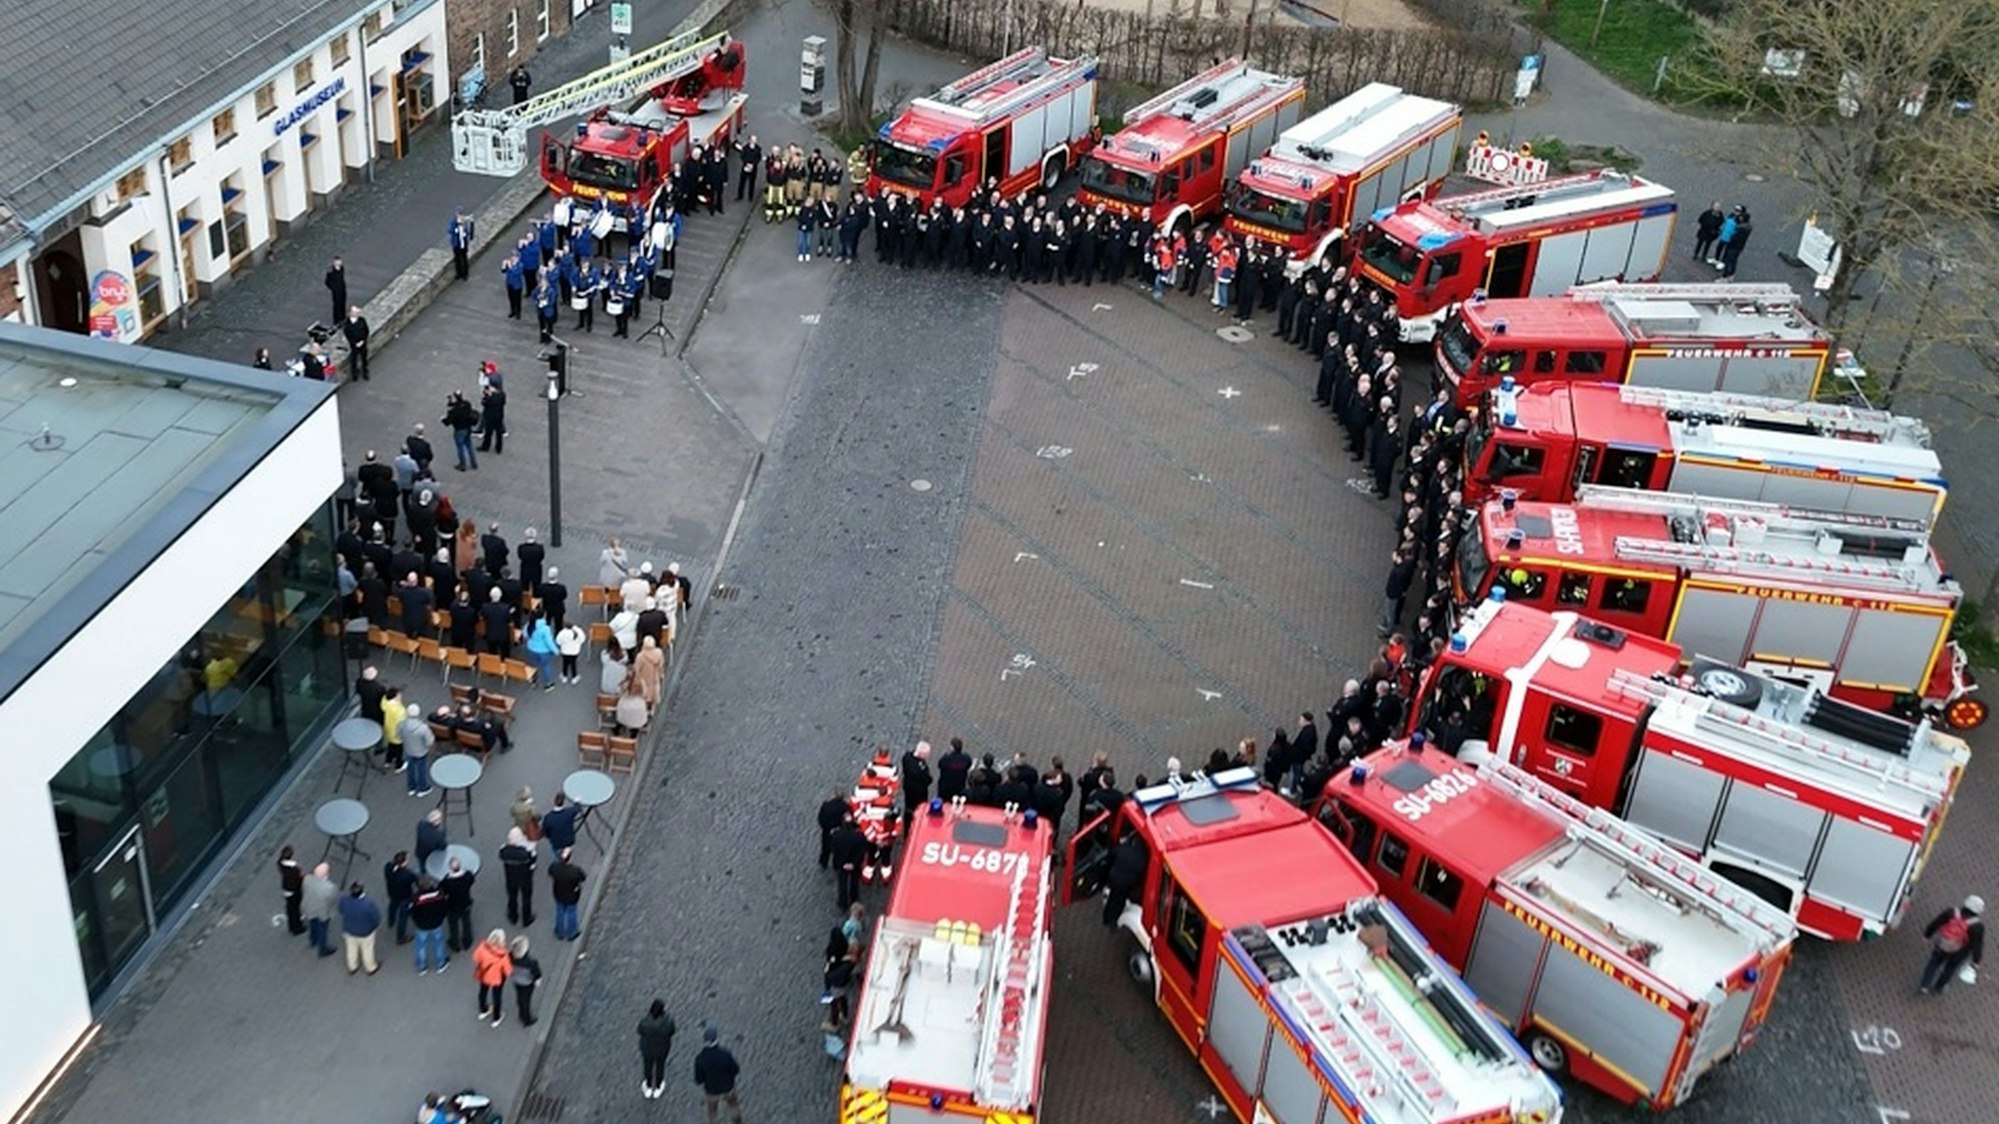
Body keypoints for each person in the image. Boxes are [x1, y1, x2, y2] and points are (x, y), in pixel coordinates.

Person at [1919, 895, 1985, 995]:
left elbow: (1936, 923)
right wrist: (1976, 961)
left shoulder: (1951, 912)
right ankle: (1939, 987)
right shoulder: (1978, 926)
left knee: (1933, 964)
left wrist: (1927, 935)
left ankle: (1925, 985)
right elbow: (1977, 944)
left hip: (1943, 944)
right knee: (1950, 968)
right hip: (1960, 951)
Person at [693, 1026, 743, 1124]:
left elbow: (699, 1079)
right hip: (728, 1087)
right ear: (716, 1038)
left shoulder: (700, 1058)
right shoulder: (725, 1054)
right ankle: (737, 1121)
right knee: (733, 1105)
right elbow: (735, 1069)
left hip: (711, 1090)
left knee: (712, 1110)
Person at [338, 882, 383, 975]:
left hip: (349, 930)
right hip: (365, 932)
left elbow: (341, 910)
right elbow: (376, 918)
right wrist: (373, 926)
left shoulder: (344, 900)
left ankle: (352, 967)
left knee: (351, 949)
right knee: (367, 950)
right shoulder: (368, 904)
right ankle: (370, 968)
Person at [1103, 834, 1148, 927]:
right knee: (1119, 902)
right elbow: (1139, 876)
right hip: (1124, 885)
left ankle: (1106, 918)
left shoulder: (1124, 849)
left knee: (1112, 898)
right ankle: (1113, 920)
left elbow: (1112, 853)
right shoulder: (1142, 861)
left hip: (1114, 879)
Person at [639, 998, 678, 1099]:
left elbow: (640, 1030)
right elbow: (672, 1031)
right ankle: (658, 1086)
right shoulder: (668, 1021)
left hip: (647, 1049)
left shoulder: (645, 1022)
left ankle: (647, 1086)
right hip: (662, 1049)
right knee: (660, 1066)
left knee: (648, 1066)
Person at [474, 929, 514, 1026]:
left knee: (483, 991)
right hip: (497, 978)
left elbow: (475, 957)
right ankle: (496, 1017)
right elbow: (508, 971)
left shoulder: (482, 946)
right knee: (497, 996)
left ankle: (483, 1010)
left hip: (484, 975)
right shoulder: (503, 955)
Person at [410, 876, 450, 974]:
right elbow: (444, 907)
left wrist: (416, 921)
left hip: (422, 925)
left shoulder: (416, 898)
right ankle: (441, 964)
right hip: (436, 923)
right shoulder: (438, 895)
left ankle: (422, 967)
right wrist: (442, 917)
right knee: (439, 943)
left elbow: (412, 912)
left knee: (421, 945)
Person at [828, 811, 867, 910]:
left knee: (842, 883)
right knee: (854, 881)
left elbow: (834, 851)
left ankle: (843, 902)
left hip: (842, 863)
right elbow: (862, 851)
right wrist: (854, 863)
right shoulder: (859, 836)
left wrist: (842, 863)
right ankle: (854, 899)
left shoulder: (837, 835)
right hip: (855, 864)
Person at [500, 827, 538, 926]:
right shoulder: (526, 853)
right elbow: (533, 861)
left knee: (512, 897)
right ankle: (526, 918)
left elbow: (501, 853)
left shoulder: (504, 851)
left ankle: (513, 916)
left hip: (510, 878)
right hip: (525, 878)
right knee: (526, 898)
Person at [549, 847, 587, 941]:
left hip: (559, 894)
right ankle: (571, 933)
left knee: (560, 912)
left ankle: (560, 932)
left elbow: (550, 872)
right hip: (571, 896)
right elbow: (583, 877)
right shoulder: (575, 871)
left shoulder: (555, 868)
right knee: (571, 913)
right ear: (570, 858)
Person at [441, 854, 477, 952]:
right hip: (465, 903)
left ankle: (454, 943)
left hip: (452, 905)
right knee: (466, 923)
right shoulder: (468, 876)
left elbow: (442, 891)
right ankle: (467, 941)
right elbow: (472, 880)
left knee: (453, 925)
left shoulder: (447, 881)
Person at [303, 862, 339, 957]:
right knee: (323, 929)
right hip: (323, 911)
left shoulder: (307, 879)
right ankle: (322, 949)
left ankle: (313, 940)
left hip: (310, 907)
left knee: (313, 924)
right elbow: (333, 900)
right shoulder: (330, 887)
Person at [402, 701, 436, 796]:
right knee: (421, 769)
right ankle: (422, 788)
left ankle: (411, 787)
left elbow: (400, 735)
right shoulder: (423, 728)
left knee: (411, 768)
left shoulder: (402, 724)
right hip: (421, 751)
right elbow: (430, 741)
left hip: (409, 750)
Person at [384, 850, 419, 943]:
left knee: (393, 906)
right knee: (403, 917)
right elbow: (417, 883)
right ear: (403, 863)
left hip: (392, 893)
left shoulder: (388, 867)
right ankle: (401, 937)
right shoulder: (408, 875)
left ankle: (391, 921)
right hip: (405, 897)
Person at [510, 935, 543, 1026]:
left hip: (517, 982)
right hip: (527, 984)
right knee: (526, 1001)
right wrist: (538, 980)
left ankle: (521, 1013)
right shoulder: (531, 963)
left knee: (520, 997)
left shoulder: (510, 958)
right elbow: (537, 974)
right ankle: (527, 1019)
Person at [444, 392, 479, 471]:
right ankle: (474, 463)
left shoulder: (454, 411)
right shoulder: (467, 404)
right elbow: (458, 405)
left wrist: (443, 419)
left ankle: (462, 465)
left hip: (459, 430)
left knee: (460, 448)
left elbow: (447, 422)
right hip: (468, 428)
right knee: (469, 446)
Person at [816, 788, 849, 871]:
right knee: (838, 849)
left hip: (827, 831)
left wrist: (825, 827)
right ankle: (836, 865)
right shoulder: (845, 807)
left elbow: (820, 818)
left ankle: (824, 862)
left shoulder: (826, 805)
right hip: (839, 832)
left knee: (825, 847)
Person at [900, 741, 933, 822]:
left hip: (908, 787)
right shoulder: (920, 769)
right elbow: (927, 779)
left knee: (908, 805)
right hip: (919, 791)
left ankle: (907, 820)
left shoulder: (907, 757)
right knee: (919, 807)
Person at [277, 844, 306, 935]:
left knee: (290, 908)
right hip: (294, 890)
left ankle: (292, 926)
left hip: (287, 888)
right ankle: (297, 928)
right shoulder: (293, 869)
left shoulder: (280, 862)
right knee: (295, 909)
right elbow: (298, 878)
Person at [633, 634, 666, 709]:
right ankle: (652, 708)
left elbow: (637, 668)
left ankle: (645, 707)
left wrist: (637, 678)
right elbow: (661, 664)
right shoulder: (659, 653)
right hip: (655, 676)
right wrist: (661, 673)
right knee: (654, 691)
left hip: (644, 677)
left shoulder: (640, 656)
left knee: (645, 692)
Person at [525, 615, 558, 689]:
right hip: (543, 651)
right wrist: (556, 651)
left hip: (532, 648)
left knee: (535, 665)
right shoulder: (545, 628)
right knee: (546, 666)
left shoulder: (529, 624)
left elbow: (525, 635)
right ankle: (548, 684)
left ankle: (534, 681)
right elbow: (549, 642)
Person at [615, 669, 650, 735]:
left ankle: (618, 728)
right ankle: (634, 733)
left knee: (622, 711)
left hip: (625, 706)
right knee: (638, 714)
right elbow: (645, 694)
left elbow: (618, 693)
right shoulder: (642, 682)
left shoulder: (624, 683)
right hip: (638, 707)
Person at [342, 305, 371, 381]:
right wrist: (355, 343)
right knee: (354, 359)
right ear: (351, 313)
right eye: (355, 312)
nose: (358, 313)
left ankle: (365, 372)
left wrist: (363, 340)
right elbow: (348, 335)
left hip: (363, 343)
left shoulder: (362, 320)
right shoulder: (347, 324)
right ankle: (354, 374)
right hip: (354, 345)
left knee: (364, 358)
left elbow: (366, 331)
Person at [478, 383, 507, 454]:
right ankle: (498, 448)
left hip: (490, 417)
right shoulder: (502, 394)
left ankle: (486, 446)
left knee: (488, 433)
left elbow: (484, 403)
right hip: (499, 416)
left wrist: (487, 396)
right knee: (498, 433)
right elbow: (503, 402)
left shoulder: (492, 397)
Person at [555, 620, 586, 685]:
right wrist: (578, 644)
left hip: (565, 651)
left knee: (565, 664)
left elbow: (558, 641)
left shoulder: (562, 633)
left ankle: (564, 676)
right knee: (573, 664)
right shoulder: (578, 631)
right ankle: (574, 677)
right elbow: (583, 639)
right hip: (575, 651)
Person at [449, 209, 476, 281]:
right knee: (457, 259)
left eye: (461, 214)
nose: (461, 216)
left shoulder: (465, 223)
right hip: (456, 244)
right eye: (459, 214)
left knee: (464, 259)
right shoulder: (453, 222)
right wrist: (457, 227)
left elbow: (470, 231)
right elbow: (450, 230)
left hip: (463, 244)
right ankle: (458, 273)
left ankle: (465, 274)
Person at [324, 256, 347, 324]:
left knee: (342, 302)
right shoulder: (331, 272)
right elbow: (327, 282)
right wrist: (333, 287)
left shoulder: (342, 268)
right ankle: (337, 320)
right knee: (337, 304)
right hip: (336, 290)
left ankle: (342, 317)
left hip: (342, 288)